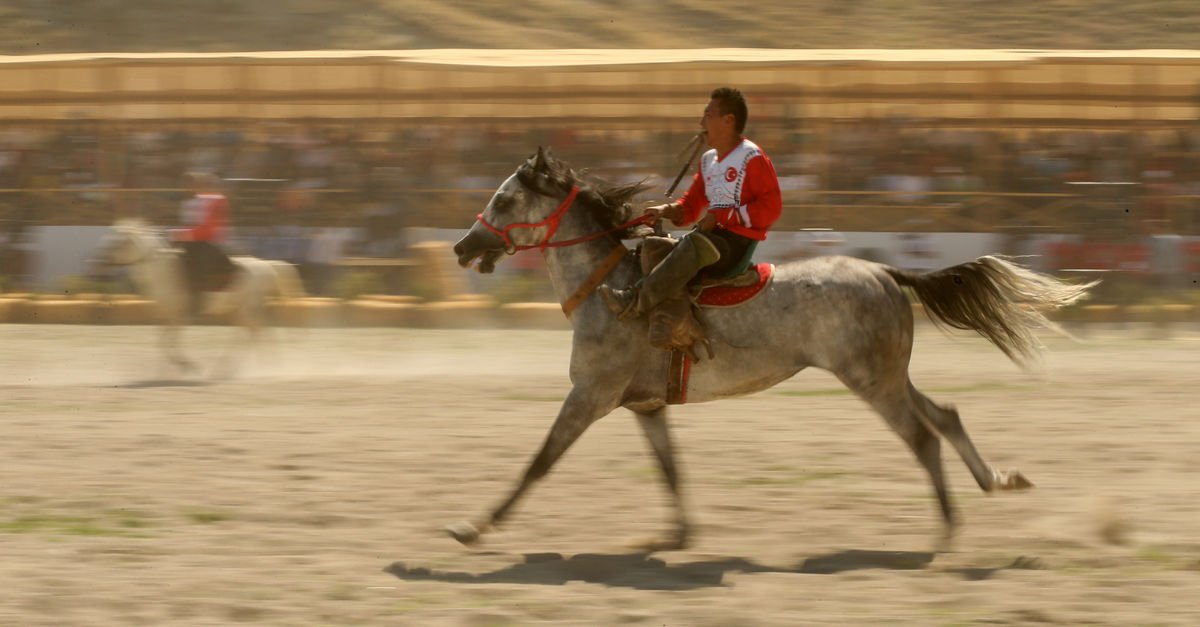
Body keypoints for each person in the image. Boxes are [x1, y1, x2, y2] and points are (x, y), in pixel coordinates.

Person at [599, 87, 783, 320]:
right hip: (709, 238)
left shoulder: (751, 157)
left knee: (695, 244)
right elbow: (691, 205)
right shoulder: (708, 161)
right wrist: (666, 210)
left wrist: (722, 217)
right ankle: (673, 322)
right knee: (654, 246)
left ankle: (634, 300)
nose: (700, 123)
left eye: (707, 116)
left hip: (736, 246)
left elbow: (772, 207)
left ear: (728, 120)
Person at [174, 171, 238, 317]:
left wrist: (183, 234)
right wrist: (176, 234)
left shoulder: (215, 200)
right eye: (188, 184)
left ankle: (196, 303)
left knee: (195, 265)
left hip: (211, 242)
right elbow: (187, 224)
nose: (189, 187)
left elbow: (208, 228)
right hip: (194, 241)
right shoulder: (189, 202)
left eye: (194, 184)